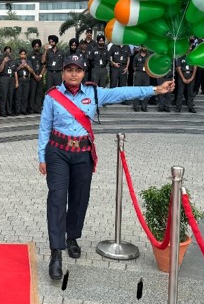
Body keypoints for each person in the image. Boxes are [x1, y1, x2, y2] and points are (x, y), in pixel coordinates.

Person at [38, 54, 174, 280]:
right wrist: (42, 157)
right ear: (62, 72)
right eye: (69, 69)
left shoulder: (93, 93)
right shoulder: (52, 96)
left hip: (82, 153)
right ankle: (56, 253)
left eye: (78, 70)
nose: (74, 74)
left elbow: (122, 92)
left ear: (84, 73)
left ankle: (72, 237)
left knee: (80, 199)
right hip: (58, 153)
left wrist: (156, 90)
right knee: (57, 198)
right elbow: (44, 128)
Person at [0, 46, 17, 116]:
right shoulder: (1, 59)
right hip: (4, 78)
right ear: (4, 52)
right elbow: (0, 70)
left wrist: (16, 81)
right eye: (6, 51)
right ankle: (3, 111)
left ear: (11, 52)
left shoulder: (13, 60)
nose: (8, 52)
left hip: (11, 78)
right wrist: (3, 62)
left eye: (9, 51)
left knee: (10, 95)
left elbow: (15, 71)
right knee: (3, 95)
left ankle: (9, 111)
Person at [28, 39, 44, 114]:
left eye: (38, 46)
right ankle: (31, 109)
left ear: (40, 47)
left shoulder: (42, 55)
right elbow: (29, 66)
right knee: (32, 93)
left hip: (40, 76)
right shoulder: (30, 55)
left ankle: (38, 108)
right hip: (33, 76)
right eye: (35, 46)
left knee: (39, 93)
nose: (36, 48)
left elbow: (44, 65)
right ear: (33, 47)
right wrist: (34, 75)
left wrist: (40, 75)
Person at [131, 46, 150, 111]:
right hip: (138, 73)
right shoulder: (137, 56)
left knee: (145, 90)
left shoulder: (149, 56)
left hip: (146, 74)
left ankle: (144, 107)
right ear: (141, 48)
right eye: (143, 47)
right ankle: (136, 106)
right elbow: (134, 66)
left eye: (145, 47)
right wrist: (137, 72)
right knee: (137, 90)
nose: (144, 48)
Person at [15, 49, 32, 115]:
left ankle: (24, 110)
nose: (22, 55)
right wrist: (20, 67)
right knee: (18, 96)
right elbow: (14, 70)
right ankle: (18, 110)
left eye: (24, 54)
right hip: (19, 78)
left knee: (25, 95)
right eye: (21, 54)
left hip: (27, 79)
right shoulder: (17, 62)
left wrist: (26, 66)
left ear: (26, 55)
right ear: (19, 55)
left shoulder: (28, 62)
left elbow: (31, 71)